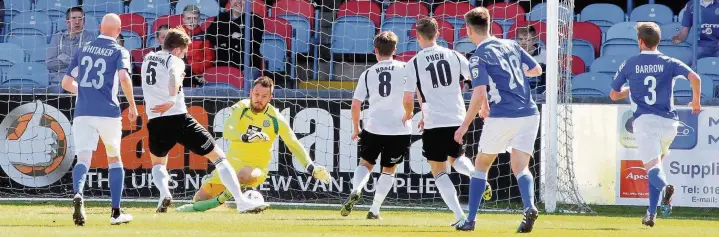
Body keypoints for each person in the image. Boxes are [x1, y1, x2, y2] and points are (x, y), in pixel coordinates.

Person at [140, 27, 270, 214]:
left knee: (158, 163)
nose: (184, 56)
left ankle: (164, 194)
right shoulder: (175, 60)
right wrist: (170, 99)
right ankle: (241, 202)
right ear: (177, 50)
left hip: (155, 120)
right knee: (219, 158)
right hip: (178, 117)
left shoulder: (148, 58)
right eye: (184, 52)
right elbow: (174, 76)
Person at [175, 77, 331, 212]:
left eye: (264, 96)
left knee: (243, 175)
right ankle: (238, 200)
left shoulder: (275, 118)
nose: (259, 99)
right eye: (256, 94)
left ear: (271, 97)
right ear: (250, 92)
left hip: (255, 170)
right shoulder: (241, 108)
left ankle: (230, 200)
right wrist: (246, 137)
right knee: (198, 202)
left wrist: (311, 167)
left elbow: (293, 143)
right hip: (229, 168)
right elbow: (228, 131)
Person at [453, 7, 543, 233]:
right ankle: (529, 206)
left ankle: (470, 219)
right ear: (489, 25)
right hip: (530, 112)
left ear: (469, 30)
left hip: (503, 114)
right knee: (521, 166)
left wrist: (464, 126)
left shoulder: (478, 56)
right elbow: (537, 69)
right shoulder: (511, 45)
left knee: (481, 165)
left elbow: (479, 92)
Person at [611, 22, 701, 227]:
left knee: (653, 168)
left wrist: (629, 90)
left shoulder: (630, 63)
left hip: (645, 122)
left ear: (640, 42)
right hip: (670, 124)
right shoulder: (669, 61)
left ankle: (667, 187)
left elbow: (614, 94)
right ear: (658, 41)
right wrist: (696, 101)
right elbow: (694, 77)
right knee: (656, 165)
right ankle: (651, 214)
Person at [60, 13, 138, 226]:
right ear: (119, 30)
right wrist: (132, 105)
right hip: (108, 112)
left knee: (83, 158)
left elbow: (66, 83)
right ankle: (115, 213)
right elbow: (123, 77)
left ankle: (78, 194)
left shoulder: (83, 48)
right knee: (114, 158)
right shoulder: (120, 51)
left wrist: (83, 93)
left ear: (100, 28)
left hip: (83, 112)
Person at [401, 17, 477, 226]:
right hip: (457, 117)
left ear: (417, 37)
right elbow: (475, 80)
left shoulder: (414, 62)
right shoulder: (454, 55)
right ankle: (475, 175)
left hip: (434, 121)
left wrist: (409, 114)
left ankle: (460, 216)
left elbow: (408, 98)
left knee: (439, 170)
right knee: (457, 157)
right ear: (438, 34)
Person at [340, 31, 412, 219]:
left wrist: (356, 128)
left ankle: (357, 189)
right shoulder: (406, 68)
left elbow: (356, 104)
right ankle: (374, 210)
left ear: (375, 51)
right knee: (389, 170)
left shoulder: (367, 73)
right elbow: (413, 95)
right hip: (400, 128)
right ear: (395, 49)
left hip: (374, 127)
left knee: (365, 163)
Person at [206, 0, 264, 79]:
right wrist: (232, 36)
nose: (239, 2)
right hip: (221, 66)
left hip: (247, 67)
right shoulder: (221, 18)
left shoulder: (256, 20)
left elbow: (250, 42)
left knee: (249, 77)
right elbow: (210, 36)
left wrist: (223, 41)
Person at [47, 6, 97, 85]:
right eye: (74, 18)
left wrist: (63, 58)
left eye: (80, 18)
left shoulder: (89, 38)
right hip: (58, 84)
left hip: (79, 84)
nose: (77, 22)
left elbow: (86, 65)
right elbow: (49, 63)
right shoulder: (57, 37)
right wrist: (75, 63)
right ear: (67, 22)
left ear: (84, 22)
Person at [181, 4, 213, 87]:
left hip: (198, 75)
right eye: (189, 18)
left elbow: (209, 58)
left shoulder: (204, 37)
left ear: (199, 20)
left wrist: (201, 72)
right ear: (183, 20)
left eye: (194, 18)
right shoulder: (177, 35)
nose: (191, 21)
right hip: (180, 74)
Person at [516, 26, 546, 93]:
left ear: (534, 40)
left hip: (539, 94)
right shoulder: (514, 54)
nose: (523, 42)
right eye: (521, 39)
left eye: (527, 39)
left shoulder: (544, 55)